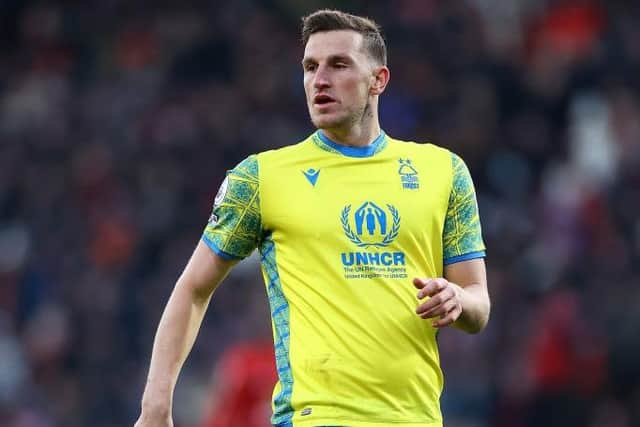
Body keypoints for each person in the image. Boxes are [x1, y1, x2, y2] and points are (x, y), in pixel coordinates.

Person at [134, 9, 490, 427]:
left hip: (415, 418)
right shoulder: (262, 178)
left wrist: (457, 299)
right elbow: (193, 288)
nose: (319, 79)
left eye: (339, 65)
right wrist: (155, 404)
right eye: (310, 66)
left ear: (378, 80)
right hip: (312, 417)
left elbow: (478, 303)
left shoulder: (443, 172)